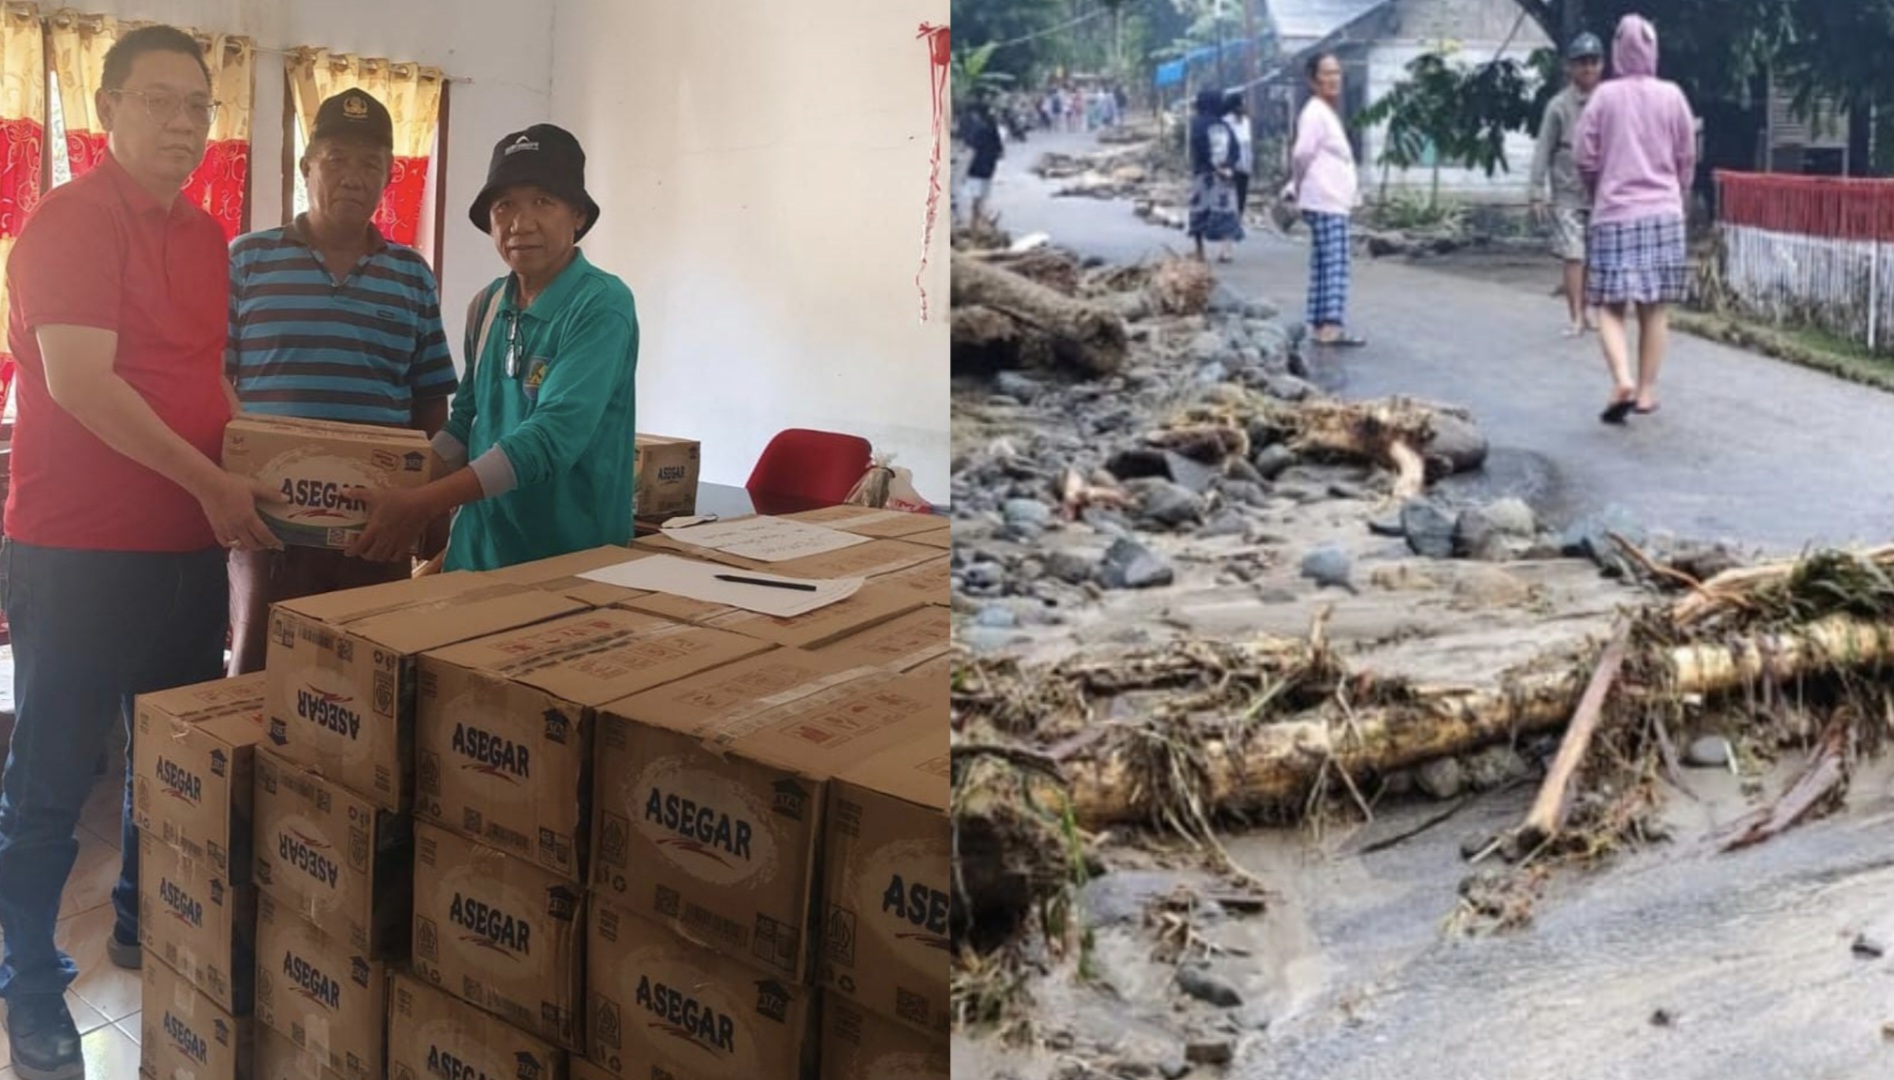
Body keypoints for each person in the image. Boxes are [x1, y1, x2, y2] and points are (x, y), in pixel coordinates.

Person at [0, 24, 283, 1080]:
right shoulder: (66, 222)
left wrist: (260, 460)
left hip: (182, 553)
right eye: (159, 100)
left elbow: (206, 385)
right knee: (51, 781)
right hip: (76, 554)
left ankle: (140, 923)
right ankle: (30, 983)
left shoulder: (209, 240)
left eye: (199, 106)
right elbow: (79, 383)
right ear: (106, 109)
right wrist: (215, 483)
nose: (182, 122)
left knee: (167, 759)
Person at [223, 88, 459, 675]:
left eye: (371, 164)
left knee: (364, 680)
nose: (354, 177)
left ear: (388, 177)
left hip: (374, 527)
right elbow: (213, 378)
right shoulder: (247, 260)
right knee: (259, 673)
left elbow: (431, 400)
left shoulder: (411, 276)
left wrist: (430, 510)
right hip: (270, 524)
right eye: (337, 160)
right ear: (307, 168)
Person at [347, 124, 638, 572]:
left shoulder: (600, 305)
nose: (521, 224)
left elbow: (551, 440)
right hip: (480, 555)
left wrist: (422, 502)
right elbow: (465, 422)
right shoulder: (487, 305)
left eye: (543, 201)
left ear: (577, 214)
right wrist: (401, 484)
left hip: (572, 563)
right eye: (505, 206)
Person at [1575, 14, 1696, 422]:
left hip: (1613, 211)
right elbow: (1686, 156)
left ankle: (1622, 379)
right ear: (1653, 50)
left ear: (1616, 52)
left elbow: (1584, 155)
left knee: (1609, 306)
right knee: (1655, 306)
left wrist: (1598, 191)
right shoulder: (1673, 95)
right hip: (1664, 212)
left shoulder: (1603, 97)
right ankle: (1645, 392)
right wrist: (1676, 194)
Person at [1530, 32, 1606, 337]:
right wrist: (1537, 192)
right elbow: (1542, 149)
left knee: (1596, 256)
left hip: (1600, 191)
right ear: (1570, 68)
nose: (1587, 69)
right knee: (1574, 254)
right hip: (1567, 190)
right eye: (1581, 63)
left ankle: (1590, 310)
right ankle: (1575, 315)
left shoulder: (1609, 101)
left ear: (1601, 65)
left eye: (1592, 62)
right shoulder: (1558, 106)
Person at [1287, 53, 1365, 346]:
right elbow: (1301, 153)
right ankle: (1331, 326)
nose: (1334, 78)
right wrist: (1296, 184)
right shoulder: (1316, 112)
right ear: (1313, 80)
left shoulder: (1322, 112)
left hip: (1329, 199)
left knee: (1324, 262)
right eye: (1327, 73)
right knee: (1335, 263)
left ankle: (1321, 325)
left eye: (1337, 72)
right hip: (1326, 200)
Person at [1187, 88, 1244, 263]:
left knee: (1199, 212)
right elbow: (1235, 149)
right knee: (1226, 211)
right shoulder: (1225, 125)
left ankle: (1199, 251)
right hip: (1224, 176)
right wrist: (1229, 167)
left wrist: (1213, 167)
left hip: (1204, 175)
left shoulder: (1197, 123)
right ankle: (1226, 251)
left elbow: (1200, 148)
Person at [1223, 90, 1256, 258]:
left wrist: (1250, 164)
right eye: (1240, 104)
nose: (1243, 107)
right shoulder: (1226, 122)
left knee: (1241, 201)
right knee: (1229, 201)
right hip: (1230, 167)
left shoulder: (1247, 122)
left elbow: (1248, 145)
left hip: (1244, 166)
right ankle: (1227, 243)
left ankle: (1235, 228)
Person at [961, 101, 1004, 227]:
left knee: (975, 200)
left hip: (976, 169)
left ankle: (975, 225)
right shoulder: (993, 129)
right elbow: (1000, 152)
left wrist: (964, 172)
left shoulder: (979, 130)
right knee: (981, 198)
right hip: (989, 169)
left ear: (977, 114)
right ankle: (984, 221)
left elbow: (972, 152)